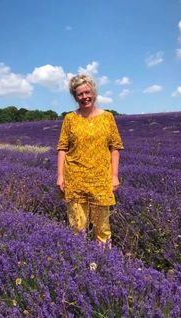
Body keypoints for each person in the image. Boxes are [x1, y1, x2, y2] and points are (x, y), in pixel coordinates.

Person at [57, 74, 124, 246]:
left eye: (87, 92)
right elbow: (62, 148)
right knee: (77, 228)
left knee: (102, 228)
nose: (85, 97)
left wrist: (114, 176)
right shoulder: (70, 119)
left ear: (94, 92)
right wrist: (60, 176)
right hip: (75, 179)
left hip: (101, 179)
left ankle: (104, 266)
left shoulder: (107, 117)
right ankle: (81, 264)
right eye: (80, 94)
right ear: (75, 97)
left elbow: (115, 148)